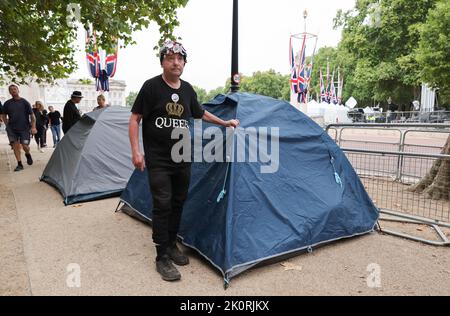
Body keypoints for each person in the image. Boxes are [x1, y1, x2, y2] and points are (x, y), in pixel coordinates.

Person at [129, 40, 239, 282]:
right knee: (163, 203)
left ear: (184, 63)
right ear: (163, 62)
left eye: (180, 59)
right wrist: (136, 151)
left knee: (178, 203)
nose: (176, 62)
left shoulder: (188, 90)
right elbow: (135, 119)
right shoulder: (151, 87)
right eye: (170, 58)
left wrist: (225, 123)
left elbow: (201, 113)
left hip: (182, 158)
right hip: (158, 160)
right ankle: (161, 257)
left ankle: (170, 244)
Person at [1, 84, 36, 171]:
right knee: (16, 146)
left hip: (24, 128)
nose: (13, 90)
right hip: (12, 129)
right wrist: (7, 124)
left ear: (18, 90)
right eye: (11, 89)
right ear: (9, 92)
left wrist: (33, 127)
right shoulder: (7, 103)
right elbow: (3, 115)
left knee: (25, 146)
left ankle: (27, 154)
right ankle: (19, 164)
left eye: (14, 89)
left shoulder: (24, 102)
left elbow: (32, 116)